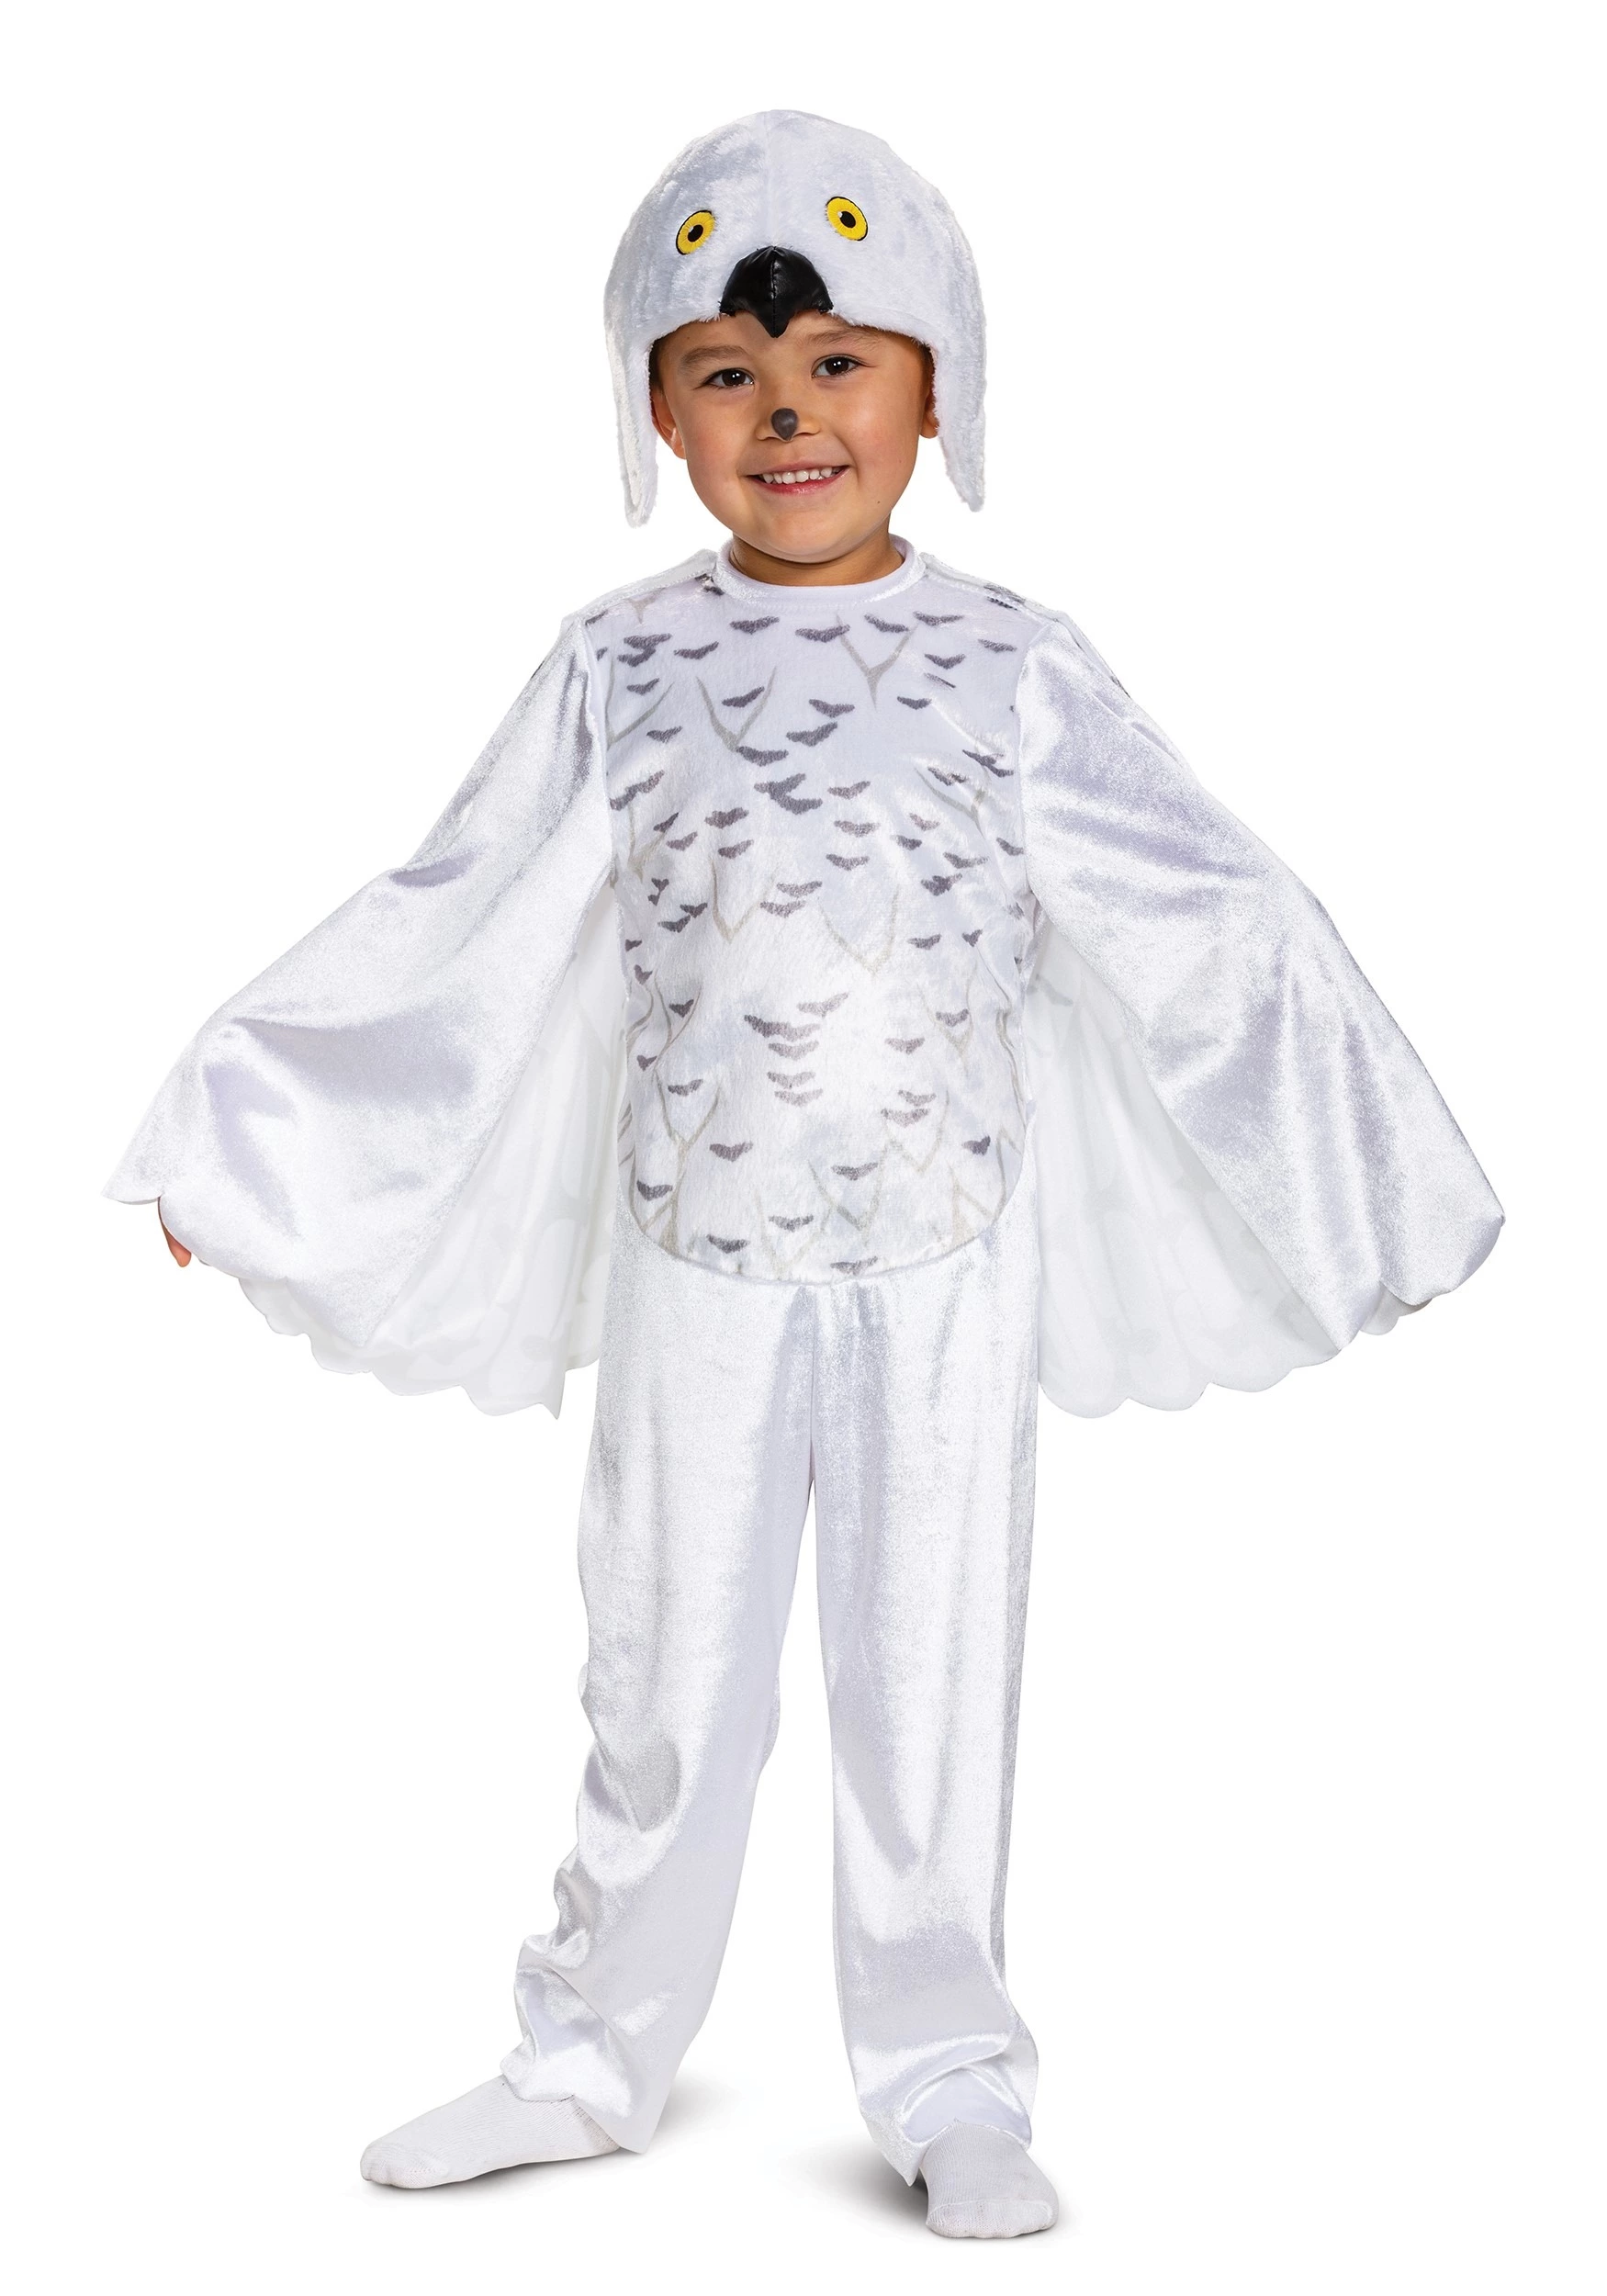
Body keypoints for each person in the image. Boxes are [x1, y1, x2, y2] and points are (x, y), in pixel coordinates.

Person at [107, 110, 1503, 2241]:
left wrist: (1369, 1173)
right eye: (727, 374)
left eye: (840, 363)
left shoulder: (1014, 665)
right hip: (699, 1244)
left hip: (948, 1248)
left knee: (929, 1675)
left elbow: (1212, 913)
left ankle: (947, 2074)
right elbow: (452, 912)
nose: (787, 414)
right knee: (659, 1667)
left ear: (938, 390)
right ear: (657, 412)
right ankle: (588, 2050)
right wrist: (249, 1131)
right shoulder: (619, 667)